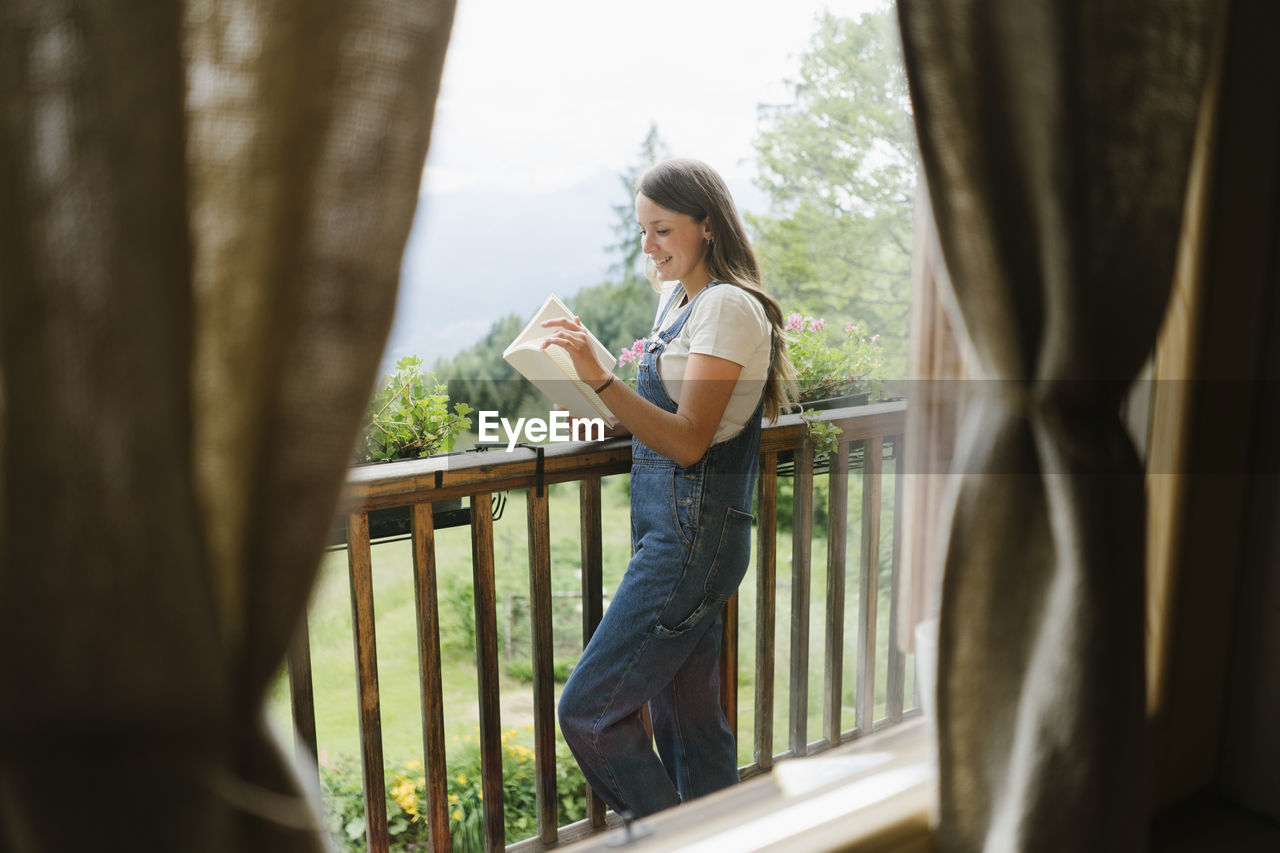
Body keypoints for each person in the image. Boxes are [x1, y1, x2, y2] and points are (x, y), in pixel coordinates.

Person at [539, 158, 796, 818]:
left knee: (589, 711)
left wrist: (602, 379)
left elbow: (688, 438)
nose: (648, 246)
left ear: (706, 226)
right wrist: (600, 420)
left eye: (662, 229)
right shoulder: (679, 301)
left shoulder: (729, 308)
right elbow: (665, 421)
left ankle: (674, 839)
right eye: (642, 231)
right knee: (690, 725)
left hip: (689, 545)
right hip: (681, 539)